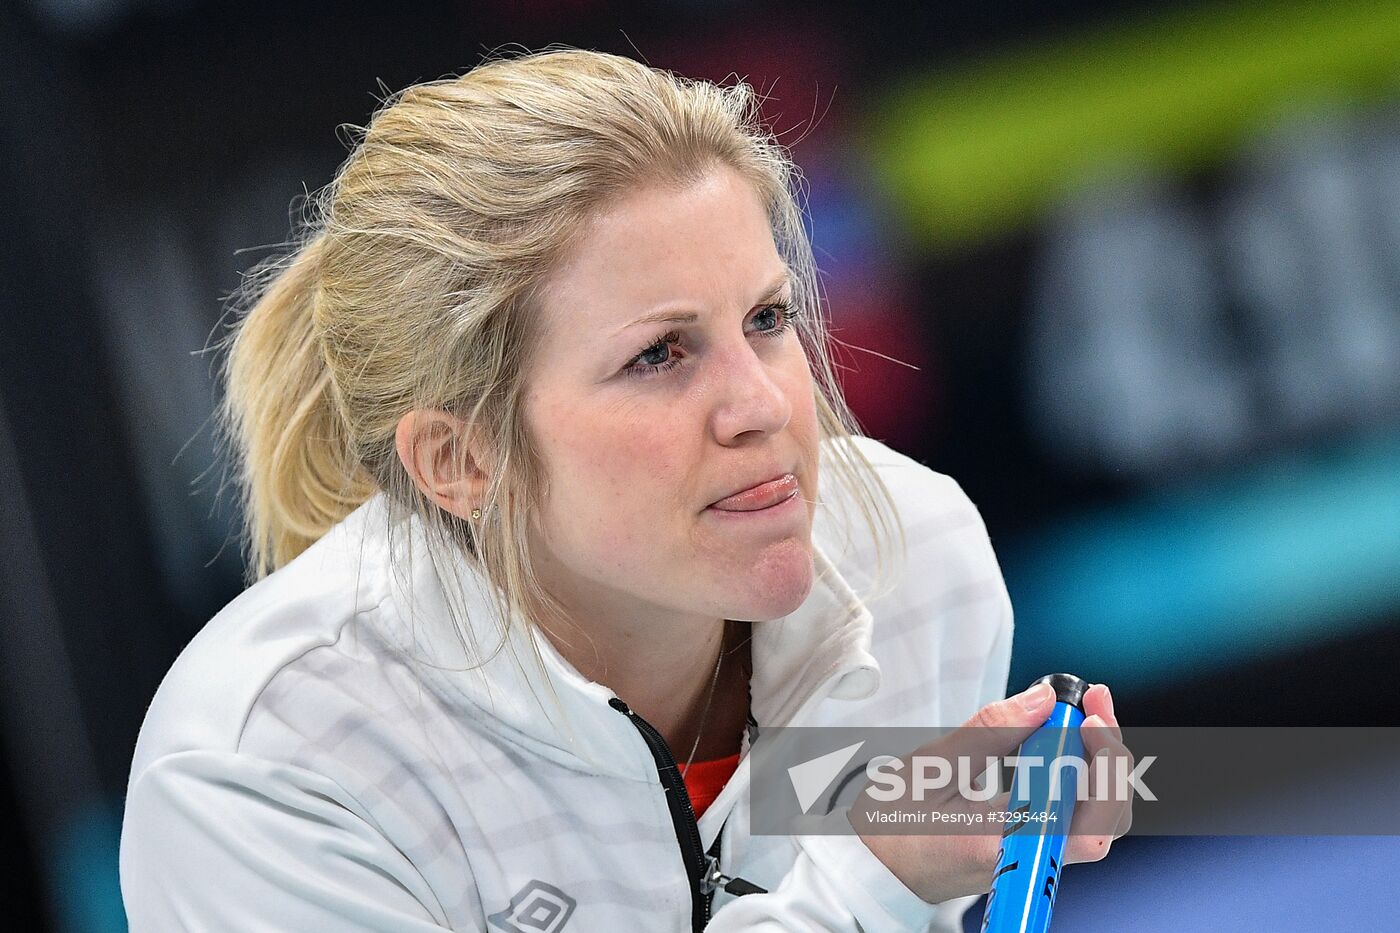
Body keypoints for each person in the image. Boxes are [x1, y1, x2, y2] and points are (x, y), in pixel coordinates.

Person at [118, 48, 1127, 931]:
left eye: (767, 319)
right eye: (658, 355)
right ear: (457, 462)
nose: (763, 407)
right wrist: (874, 880)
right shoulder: (261, 765)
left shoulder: (916, 560)